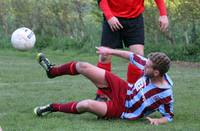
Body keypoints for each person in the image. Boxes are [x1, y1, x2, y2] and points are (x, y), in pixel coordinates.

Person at [34, 47, 174, 125]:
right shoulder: (149, 67)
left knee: (86, 104)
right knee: (83, 66)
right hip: (124, 89)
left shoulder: (165, 93)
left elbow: (168, 116)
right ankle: (52, 71)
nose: (144, 67)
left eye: (147, 67)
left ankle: (52, 107)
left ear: (156, 72)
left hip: (124, 109)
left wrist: (158, 121)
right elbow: (131, 56)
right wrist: (110, 51)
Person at [95, 0, 169, 100]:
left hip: (135, 19)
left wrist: (163, 14)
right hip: (112, 18)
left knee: (138, 56)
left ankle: (130, 93)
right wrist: (109, 16)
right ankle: (102, 94)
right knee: (104, 56)